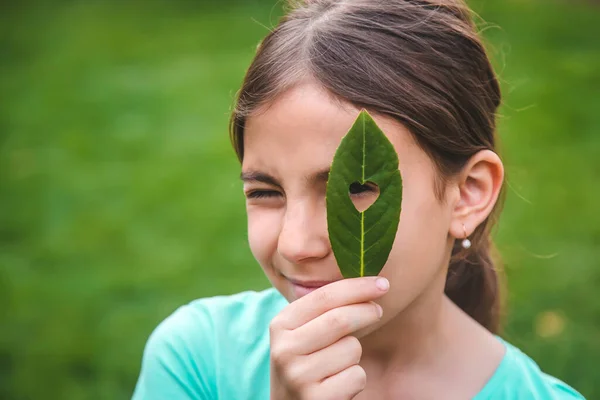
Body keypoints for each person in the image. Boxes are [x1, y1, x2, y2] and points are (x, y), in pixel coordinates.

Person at [132, 0, 586, 399]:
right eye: (266, 192)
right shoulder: (198, 359)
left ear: (467, 194)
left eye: (354, 189)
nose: (295, 244)